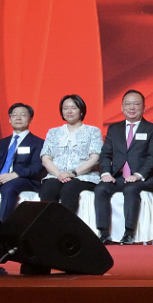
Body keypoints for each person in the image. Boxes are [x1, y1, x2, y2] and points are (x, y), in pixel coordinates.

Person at [93, 90, 153, 244]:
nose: (131, 108)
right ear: (122, 107)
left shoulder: (152, 129)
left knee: (131, 189)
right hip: (119, 176)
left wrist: (138, 175)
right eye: (128, 104)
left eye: (136, 104)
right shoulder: (114, 129)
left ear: (144, 107)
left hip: (142, 178)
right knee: (101, 188)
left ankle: (128, 233)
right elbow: (105, 154)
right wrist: (106, 173)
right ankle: (103, 233)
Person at [0, 103, 44, 220]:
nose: (18, 118)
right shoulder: (0, 143)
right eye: (14, 115)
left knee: (9, 187)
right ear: (10, 120)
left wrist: (14, 175)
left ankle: (4, 227)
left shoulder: (39, 143)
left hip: (23, 180)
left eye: (23, 115)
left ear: (30, 119)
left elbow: (36, 167)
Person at [41, 95, 103, 224]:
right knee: (49, 188)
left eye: (73, 108)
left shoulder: (92, 131)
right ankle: (47, 228)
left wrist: (74, 173)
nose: (69, 111)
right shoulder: (53, 132)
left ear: (81, 111)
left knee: (69, 188)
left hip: (83, 176)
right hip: (56, 175)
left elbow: (95, 158)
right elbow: (46, 158)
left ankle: (65, 228)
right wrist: (59, 174)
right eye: (65, 108)